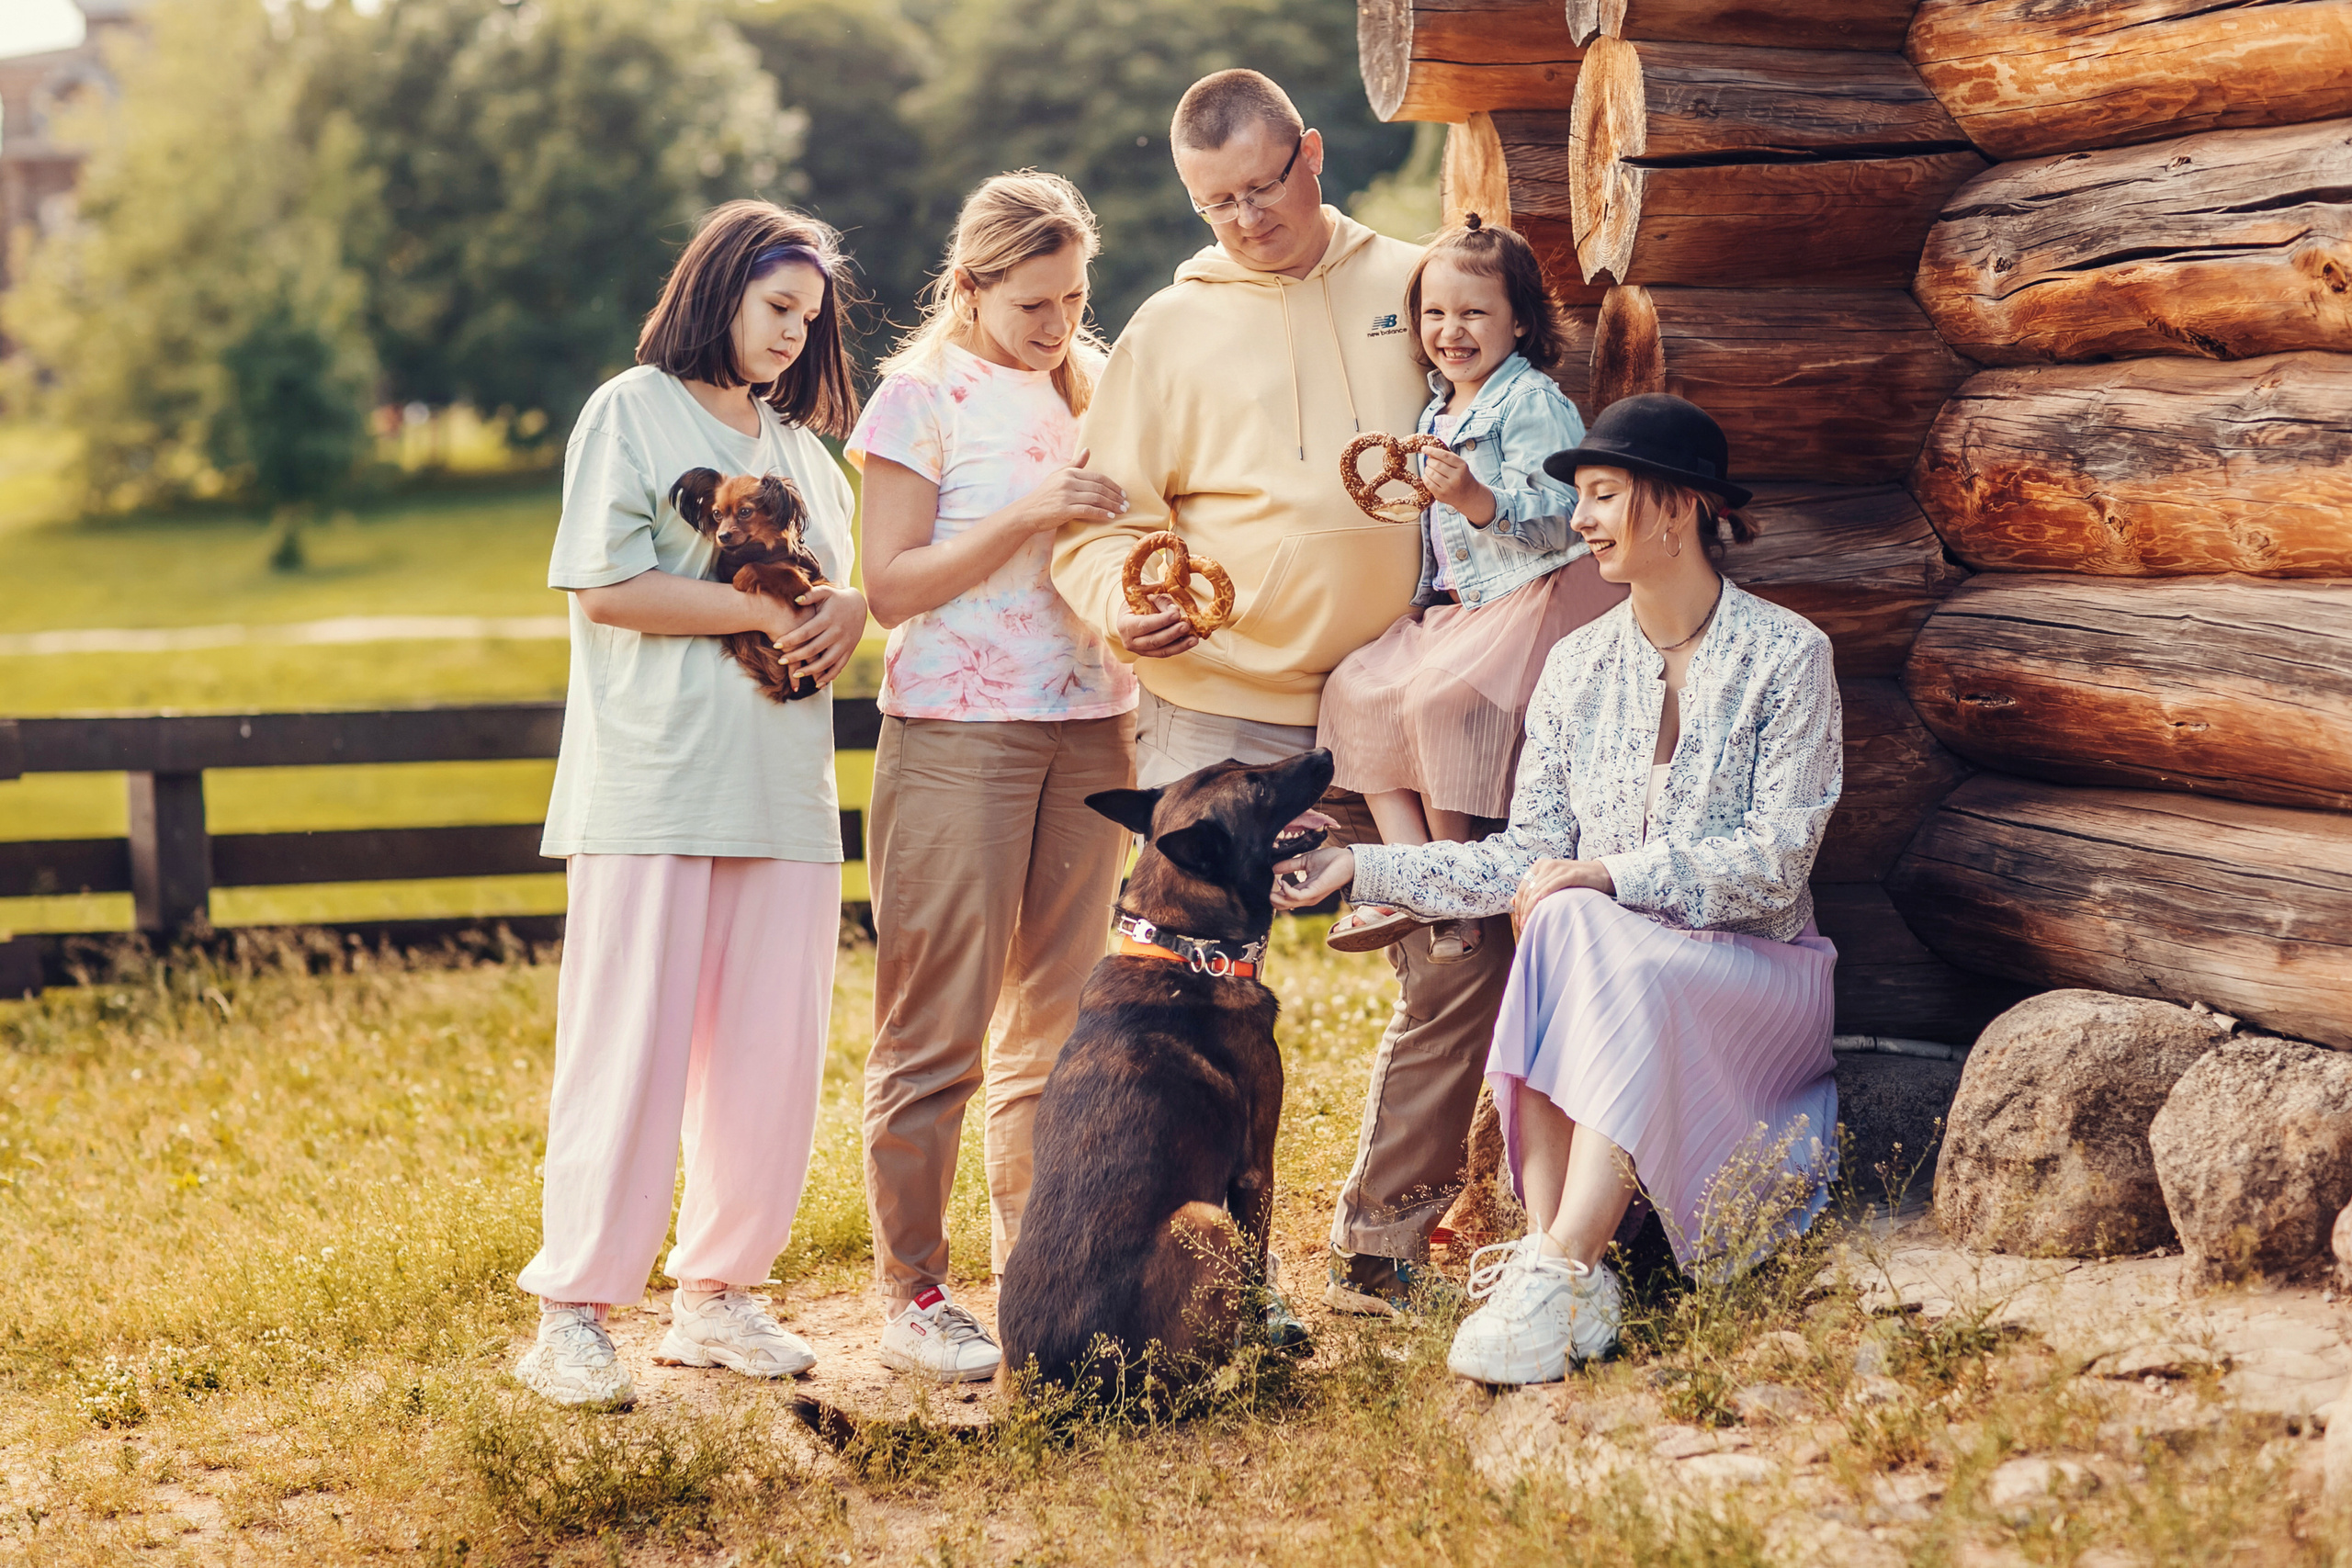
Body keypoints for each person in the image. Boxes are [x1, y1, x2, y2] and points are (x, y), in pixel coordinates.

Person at [1051, 68, 1513, 1318]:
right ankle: (1140, 1274)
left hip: (1397, 706)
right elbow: (1099, 526)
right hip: (1218, 718)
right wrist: (1113, 598)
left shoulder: (1414, 284)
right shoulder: (1164, 330)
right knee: (1183, 1008)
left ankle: (1380, 1233)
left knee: (1461, 945)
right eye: (1218, 202)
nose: (1247, 218)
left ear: (1311, 152)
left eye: (1264, 185)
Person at [1275, 395, 1844, 1383]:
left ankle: (1558, 1265)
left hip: (1755, 973)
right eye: (1580, 497)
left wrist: (1607, 873)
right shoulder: (1576, 668)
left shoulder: (1790, 653)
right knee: (1571, 915)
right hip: (1612, 971)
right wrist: (1358, 868)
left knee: (1579, 911)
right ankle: (1567, 1269)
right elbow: (1521, 858)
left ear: (1678, 508)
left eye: (1601, 495)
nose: (1579, 520)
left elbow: (1776, 861)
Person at [514, 201, 867, 1408]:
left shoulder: (809, 454)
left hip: (783, 790)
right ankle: (572, 1310)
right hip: (653, 784)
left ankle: (719, 1295)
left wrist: (845, 610)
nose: (790, 335)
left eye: (807, 320)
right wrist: (767, 611)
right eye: (777, 308)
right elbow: (610, 587)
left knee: (770, 1056)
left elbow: (828, 600)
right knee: (629, 1049)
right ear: (718, 287)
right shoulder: (630, 409)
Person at [848, 172, 1138, 1382]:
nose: (1059, 321)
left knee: (1064, 1026)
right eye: (1032, 302)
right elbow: (889, 586)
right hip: (959, 731)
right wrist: (1026, 516)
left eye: (1074, 295)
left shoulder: (1103, 379)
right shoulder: (920, 397)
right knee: (937, 1025)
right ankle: (913, 1291)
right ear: (967, 287)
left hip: (1092, 722)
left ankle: (1043, 1273)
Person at [1315, 215, 1624, 966]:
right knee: (1352, 693)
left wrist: (1478, 498)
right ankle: (1407, 875)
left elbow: (1566, 518)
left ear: (1519, 320)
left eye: (1474, 313)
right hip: (1451, 609)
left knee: (1436, 706)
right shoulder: (1434, 409)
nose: (1451, 331)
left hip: (1524, 598)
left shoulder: (1533, 403)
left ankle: (1449, 886)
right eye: (1435, 314)